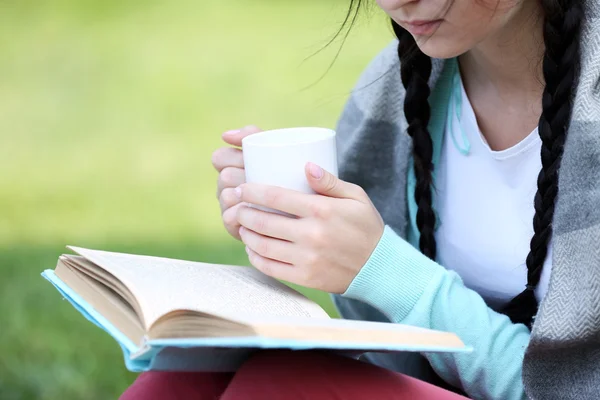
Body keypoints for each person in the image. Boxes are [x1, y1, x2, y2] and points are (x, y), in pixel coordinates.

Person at [121, 0, 600, 398]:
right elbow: (382, 340)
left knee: (279, 385)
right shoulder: (401, 87)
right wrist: (286, 224)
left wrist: (389, 273)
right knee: (179, 379)